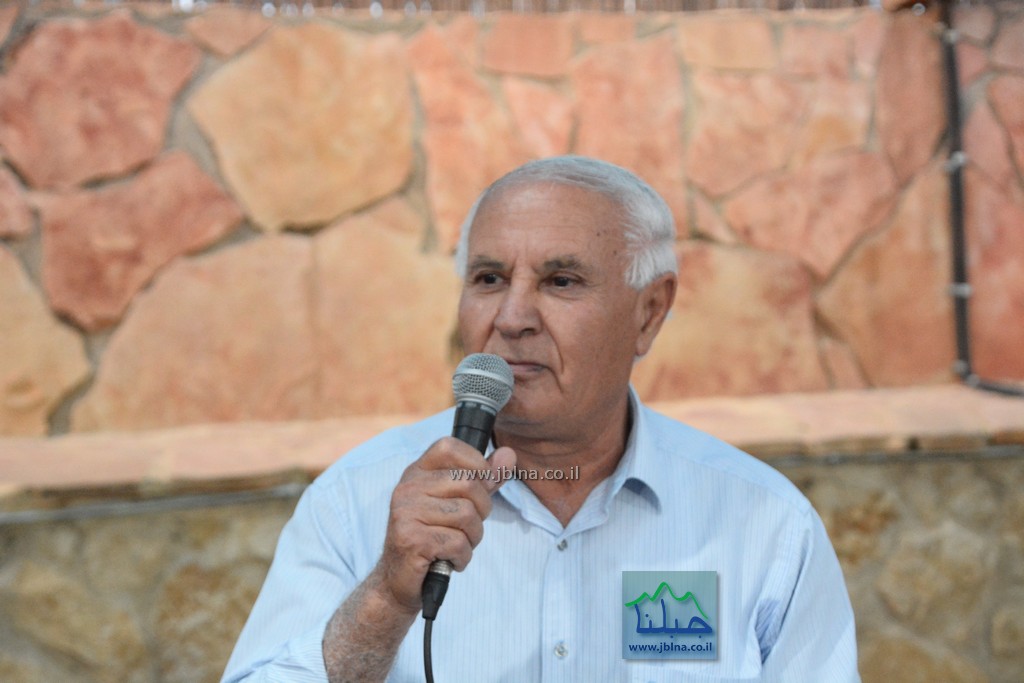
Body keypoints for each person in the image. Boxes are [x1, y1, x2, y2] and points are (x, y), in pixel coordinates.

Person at [223, 156, 859, 682]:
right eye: (489, 278)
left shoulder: (766, 524)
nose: (512, 317)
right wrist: (385, 601)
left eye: (561, 281)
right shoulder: (355, 500)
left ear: (649, 313)